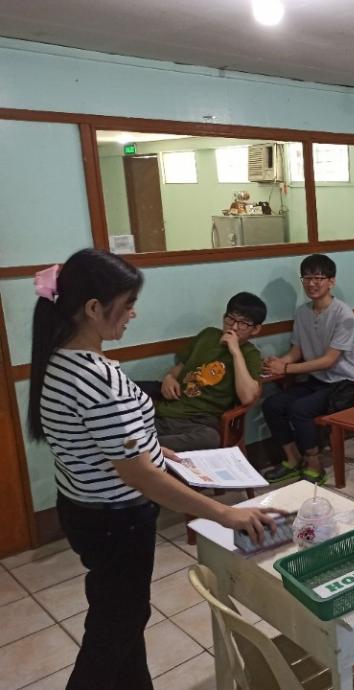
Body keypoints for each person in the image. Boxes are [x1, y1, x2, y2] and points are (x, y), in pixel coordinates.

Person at [27, 249, 281, 690]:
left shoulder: (58, 361)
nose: (133, 314)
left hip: (82, 506)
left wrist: (156, 449)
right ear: (94, 308)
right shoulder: (100, 380)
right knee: (113, 632)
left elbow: (105, 442)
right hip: (116, 519)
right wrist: (225, 513)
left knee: (122, 618)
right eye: (127, 304)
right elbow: (139, 475)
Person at [261, 254, 354, 484]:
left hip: (342, 385)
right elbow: (297, 349)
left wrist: (287, 368)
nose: (311, 283)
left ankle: (315, 464)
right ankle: (293, 459)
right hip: (316, 381)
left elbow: (329, 360)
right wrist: (278, 364)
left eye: (318, 278)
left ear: (331, 281)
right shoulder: (302, 312)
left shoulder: (343, 314)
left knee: (300, 409)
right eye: (307, 278)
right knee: (272, 405)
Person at [153, 292, 266, 450]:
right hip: (168, 412)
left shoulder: (250, 354)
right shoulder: (208, 335)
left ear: (255, 329)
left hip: (201, 422)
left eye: (243, 324)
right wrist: (169, 377)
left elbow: (247, 397)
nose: (234, 327)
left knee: (210, 439)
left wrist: (235, 351)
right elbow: (179, 369)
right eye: (231, 319)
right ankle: (149, 447)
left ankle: (147, 447)